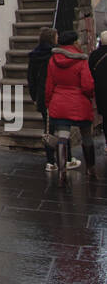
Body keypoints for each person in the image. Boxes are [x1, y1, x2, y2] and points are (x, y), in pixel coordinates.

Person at [45, 29, 96, 182]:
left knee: (62, 136)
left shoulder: (53, 60)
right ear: (75, 42)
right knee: (86, 135)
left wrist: (49, 102)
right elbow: (87, 86)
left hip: (59, 102)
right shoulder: (81, 61)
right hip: (79, 102)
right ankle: (90, 169)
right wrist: (90, 96)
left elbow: (49, 85)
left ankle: (62, 173)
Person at [28, 27, 80, 172]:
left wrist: (34, 97)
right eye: (56, 36)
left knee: (48, 127)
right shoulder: (55, 54)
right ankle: (67, 158)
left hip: (41, 96)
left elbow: (31, 79)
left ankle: (50, 161)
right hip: (55, 94)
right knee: (63, 127)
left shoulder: (34, 56)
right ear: (52, 39)